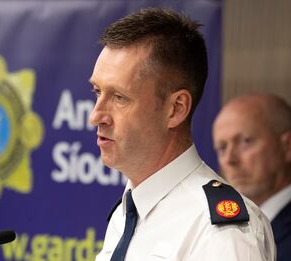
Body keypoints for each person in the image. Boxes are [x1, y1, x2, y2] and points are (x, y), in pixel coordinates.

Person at [89, 8, 275, 260]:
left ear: (176, 109)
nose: (96, 116)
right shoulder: (128, 211)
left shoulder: (219, 232)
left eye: (120, 97)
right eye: (97, 92)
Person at [212, 93, 291, 261]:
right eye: (222, 148)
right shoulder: (219, 231)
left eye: (245, 141)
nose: (229, 159)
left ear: (288, 146)